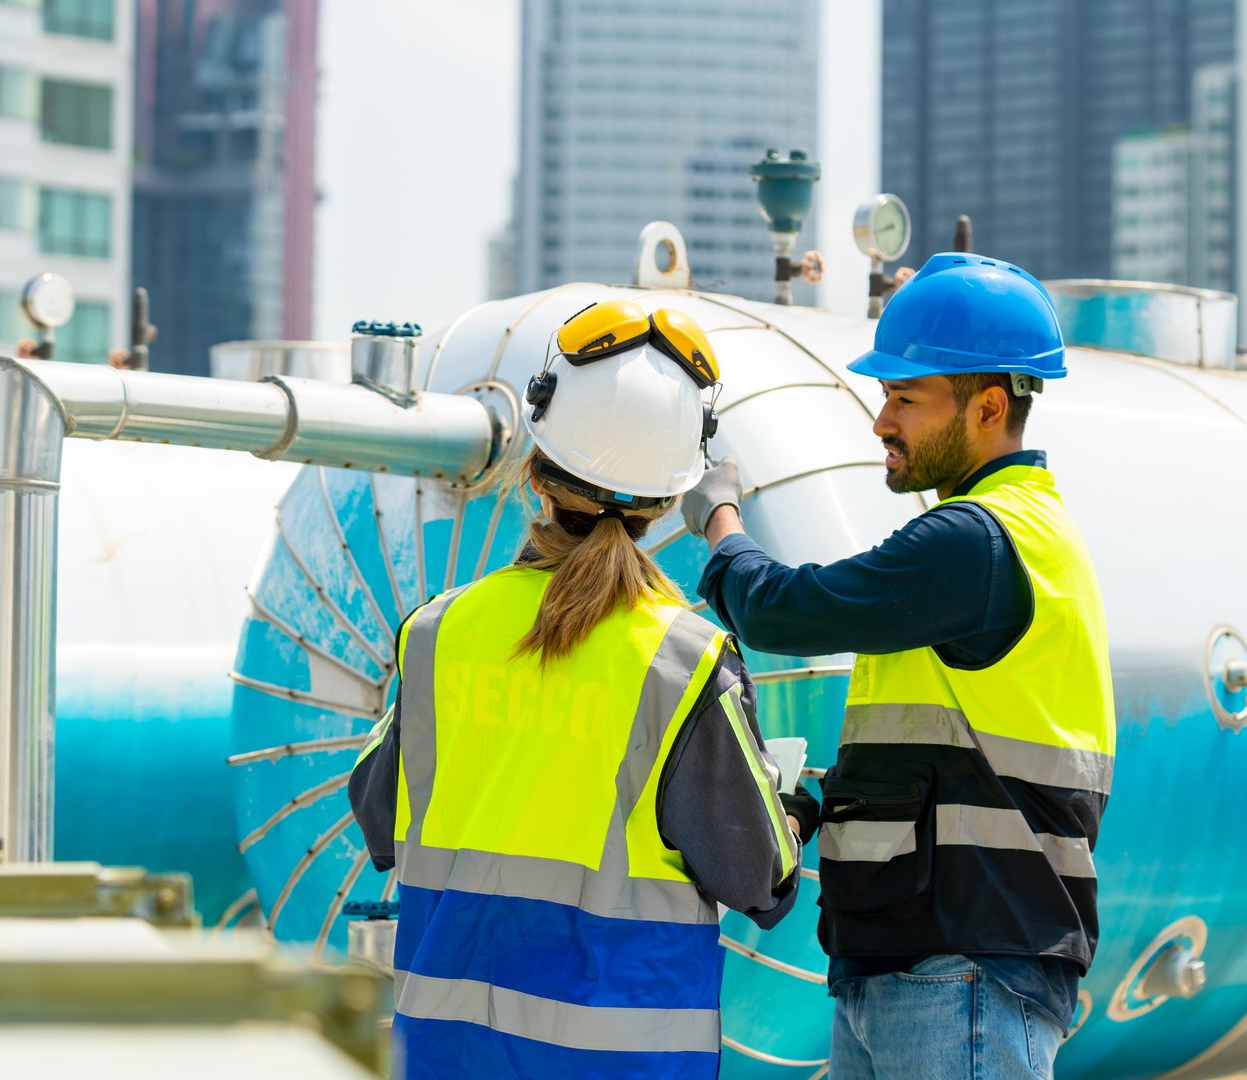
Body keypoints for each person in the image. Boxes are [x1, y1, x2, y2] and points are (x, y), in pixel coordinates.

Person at [349, 299, 813, 1080]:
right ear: (669, 500)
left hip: (446, 1058)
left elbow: (377, 820)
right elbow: (759, 876)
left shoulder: (436, 633)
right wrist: (796, 811)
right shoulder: (686, 659)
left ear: (535, 465)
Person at [681, 252, 1116, 1080]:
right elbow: (940, 753)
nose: (881, 420)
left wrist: (720, 521)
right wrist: (823, 804)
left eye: (905, 399)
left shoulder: (976, 541)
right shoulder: (1000, 538)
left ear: (988, 407)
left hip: (961, 969)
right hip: (916, 961)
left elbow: (783, 610)